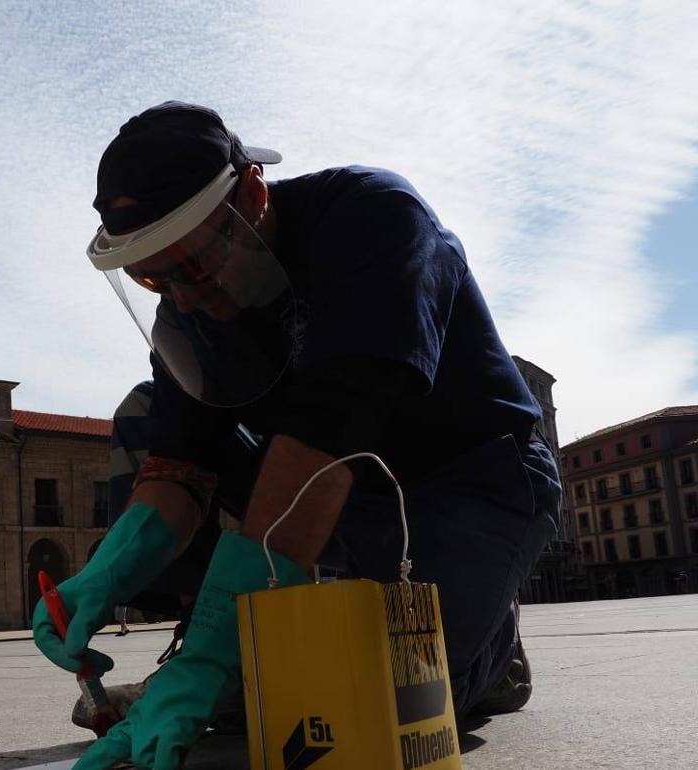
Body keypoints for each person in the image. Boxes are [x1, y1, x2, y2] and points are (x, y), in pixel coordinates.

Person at [32, 102, 560, 770]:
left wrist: (215, 660)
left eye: (190, 264)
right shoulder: (190, 307)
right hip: (326, 497)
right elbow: (180, 460)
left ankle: (492, 652)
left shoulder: (374, 219)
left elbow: (326, 437)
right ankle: (226, 646)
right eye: (150, 277)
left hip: (464, 479)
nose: (182, 297)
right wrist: (107, 573)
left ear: (251, 193)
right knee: (146, 412)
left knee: (386, 697)